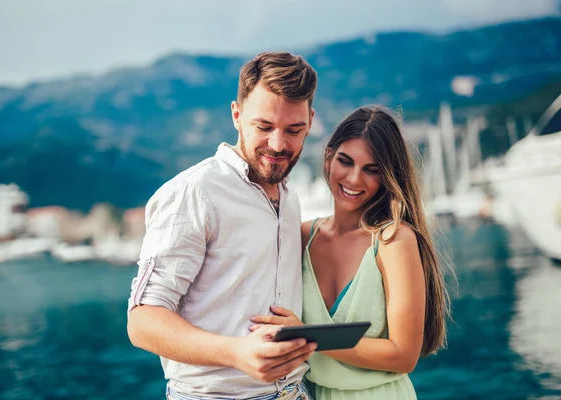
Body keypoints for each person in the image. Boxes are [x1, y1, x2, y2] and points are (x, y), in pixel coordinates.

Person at [126, 52, 319, 399]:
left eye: (294, 130)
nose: (278, 145)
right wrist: (236, 352)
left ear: (310, 122)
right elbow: (142, 322)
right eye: (263, 127)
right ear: (236, 114)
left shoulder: (290, 196)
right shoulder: (194, 192)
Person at [251, 106, 452, 399]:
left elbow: (403, 355)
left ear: (387, 176)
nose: (355, 179)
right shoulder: (301, 236)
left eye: (372, 170)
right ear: (328, 157)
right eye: (346, 162)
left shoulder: (393, 240)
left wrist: (306, 334)